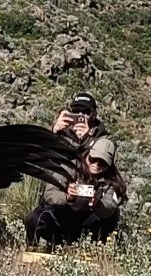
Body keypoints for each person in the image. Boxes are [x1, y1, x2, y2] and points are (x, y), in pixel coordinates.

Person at [24, 93, 127, 249]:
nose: (80, 116)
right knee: (39, 216)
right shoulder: (62, 134)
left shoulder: (103, 140)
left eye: (85, 112)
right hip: (62, 202)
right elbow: (37, 153)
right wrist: (54, 131)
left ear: (94, 114)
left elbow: (108, 179)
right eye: (76, 111)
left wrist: (87, 139)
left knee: (109, 215)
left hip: (88, 211)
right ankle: (37, 246)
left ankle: (94, 249)